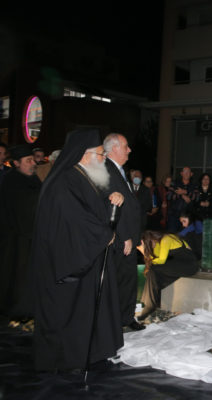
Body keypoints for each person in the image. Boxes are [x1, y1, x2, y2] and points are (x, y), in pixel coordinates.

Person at [31, 128, 124, 371]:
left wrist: (112, 200)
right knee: (69, 312)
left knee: (86, 309)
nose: (104, 159)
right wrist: (103, 235)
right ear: (85, 155)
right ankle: (67, 357)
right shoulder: (64, 181)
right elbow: (73, 218)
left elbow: (93, 209)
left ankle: (91, 351)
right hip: (67, 262)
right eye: (101, 154)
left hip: (85, 256)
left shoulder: (83, 177)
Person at [103, 133, 145, 331]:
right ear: (115, 148)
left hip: (129, 236)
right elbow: (112, 207)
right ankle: (115, 320)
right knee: (120, 279)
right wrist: (125, 235)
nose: (129, 150)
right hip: (121, 237)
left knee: (129, 278)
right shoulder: (107, 170)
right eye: (126, 146)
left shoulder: (119, 170)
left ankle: (126, 317)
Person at [0, 144, 41, 318]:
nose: (33, 164)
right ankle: (16, 309)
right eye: (28, 161)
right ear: (16, 163)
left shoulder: (33, 179)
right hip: (15, 239)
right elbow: (22, 208)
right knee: (16, 275)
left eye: (33, 160)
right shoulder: (12, 181)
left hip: (30, 237)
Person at [137, 230, 198, 320]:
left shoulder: (166, 239)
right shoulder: (157, 245)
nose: (150, 248)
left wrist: (144, 252)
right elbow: (154, 261)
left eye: (147, 245)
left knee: (154, 270)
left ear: (150, 240)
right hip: (177, 265)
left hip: (189, 265)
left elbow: (161, 260)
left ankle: (149, 306)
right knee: (153, 273)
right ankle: (150, 304)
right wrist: (144, 252)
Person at [167, 166, 197, 232]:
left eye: (188, 172)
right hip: (174, 216)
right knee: (172, 235)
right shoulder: (174, 183)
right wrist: (182, 196)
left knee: (185, 236)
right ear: (181, 173)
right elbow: (169, 196)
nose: (186, 173)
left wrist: (185, 192)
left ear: (191, 174)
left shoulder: (194, 185)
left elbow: (196, 197)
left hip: (187, 216)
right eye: (185, 171)